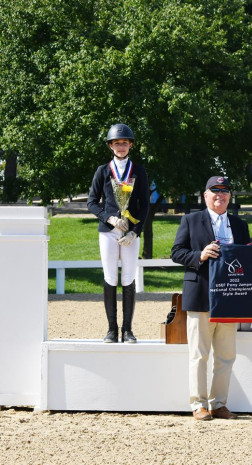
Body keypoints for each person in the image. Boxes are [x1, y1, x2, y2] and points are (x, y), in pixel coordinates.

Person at [171, 176, 252, 421]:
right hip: (201, 295)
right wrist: (200, 255)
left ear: (229, 197)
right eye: (215, 191)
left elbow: (246, 258)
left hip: (229, 299)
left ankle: (219, 404)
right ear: (205, 195)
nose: (220, 195)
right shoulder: (190, 220)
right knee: (199, 354)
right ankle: (198, 404)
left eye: (224, 191)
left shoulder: (239, 224)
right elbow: (176, 252)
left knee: (226, 355)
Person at [87, 124, 149, 344]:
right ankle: (112, 330)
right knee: (110, 277)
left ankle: (128, 330)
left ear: (130, 145)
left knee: (129, 277)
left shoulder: (138, 171)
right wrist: (109, 218)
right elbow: (91, 202)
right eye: (117, 143)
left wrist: (135, 231)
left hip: (130, 232)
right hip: (109, 232)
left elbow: (144, 204)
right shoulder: (103, 171)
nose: (121, 147)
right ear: (111, 146)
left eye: (124, 143)